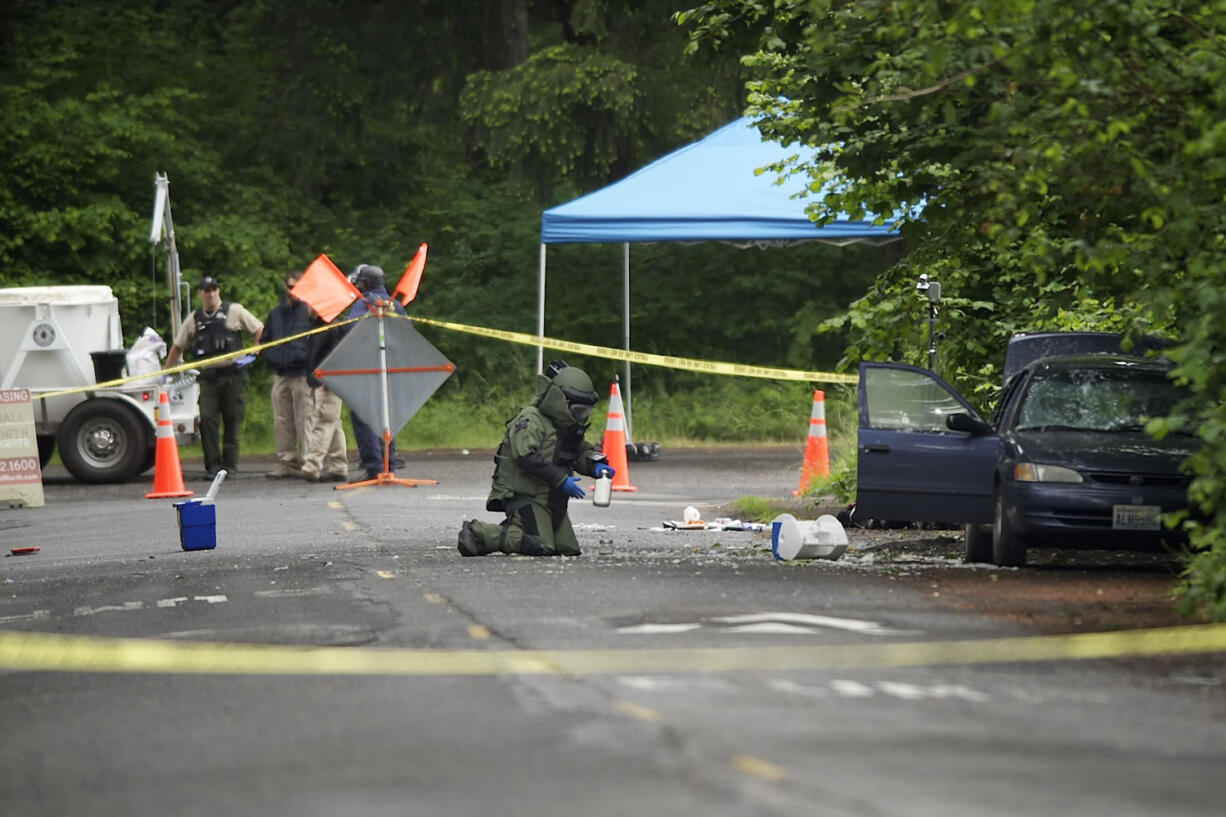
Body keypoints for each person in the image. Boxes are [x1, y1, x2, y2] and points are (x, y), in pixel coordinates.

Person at [457, 360, 614, 557]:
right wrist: (561, 480)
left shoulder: (566, 425)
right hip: (527, 496)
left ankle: (518, 526)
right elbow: (525, 457)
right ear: (561, 401)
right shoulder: (531, 419)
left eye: (585, 412)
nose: (581, 417)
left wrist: (596, 465)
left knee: (568, 549)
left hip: (553, 500)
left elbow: (580, 452)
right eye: (578, 411)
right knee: (541, 545)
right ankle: (478, 533)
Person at [165, 275, 264, 479]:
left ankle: (230, 466)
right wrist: (167, 371)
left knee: (232, 420)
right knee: (207, 420)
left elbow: (260, 329)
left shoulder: (234, 311)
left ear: (218, 291)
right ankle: (213, 466)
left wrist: (255, 351)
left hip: (233, 376)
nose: (211, 294)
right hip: (208, 378)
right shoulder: (194, 319)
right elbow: (178, 346)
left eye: (214, 289)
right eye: (206, 290)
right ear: (200, 294)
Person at [344, 264, 405, 480]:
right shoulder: (395, 304)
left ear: (365, 284)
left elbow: (350, 330)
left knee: (365, 417)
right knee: (386, 416)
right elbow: (406, 333)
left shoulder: (364, 303)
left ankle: (374, 467)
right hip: (391, 368)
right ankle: (390, 466)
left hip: (367, 367)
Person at [261, 270, 314, 478]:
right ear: (285, 287)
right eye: (291, 287)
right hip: (281, 373)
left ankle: (308, 461)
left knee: (305, 418)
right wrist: (272, 357)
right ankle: (287, 461)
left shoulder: (309, 311)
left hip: (301, 373)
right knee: (282, 420)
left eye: (298, 287)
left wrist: (306, 359)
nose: (294, 292)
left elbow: (317, 340)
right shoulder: (275, 313)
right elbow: (265, 340)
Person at [297, 307, 350, 483]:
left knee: (323, 421)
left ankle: (312, 466)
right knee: (333, 423)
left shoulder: (331, 327)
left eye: (310, 305)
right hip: (323, 380)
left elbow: (334, 357)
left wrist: (326, 379)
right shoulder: (318, 325)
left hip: (328, 381)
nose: (307, 308)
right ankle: (339, 466)